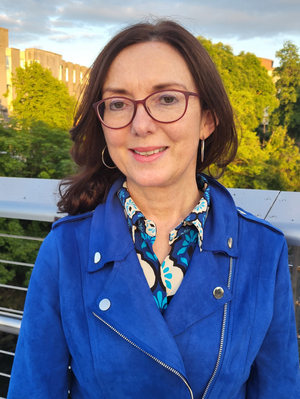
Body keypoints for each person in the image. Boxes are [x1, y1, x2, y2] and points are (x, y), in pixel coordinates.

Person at [8, 20, 300, 399]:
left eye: (166, 99)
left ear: (207, 119)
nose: (141, 125)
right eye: (118, 104)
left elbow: (278, 389)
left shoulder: (264, 251)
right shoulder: (65, 251)